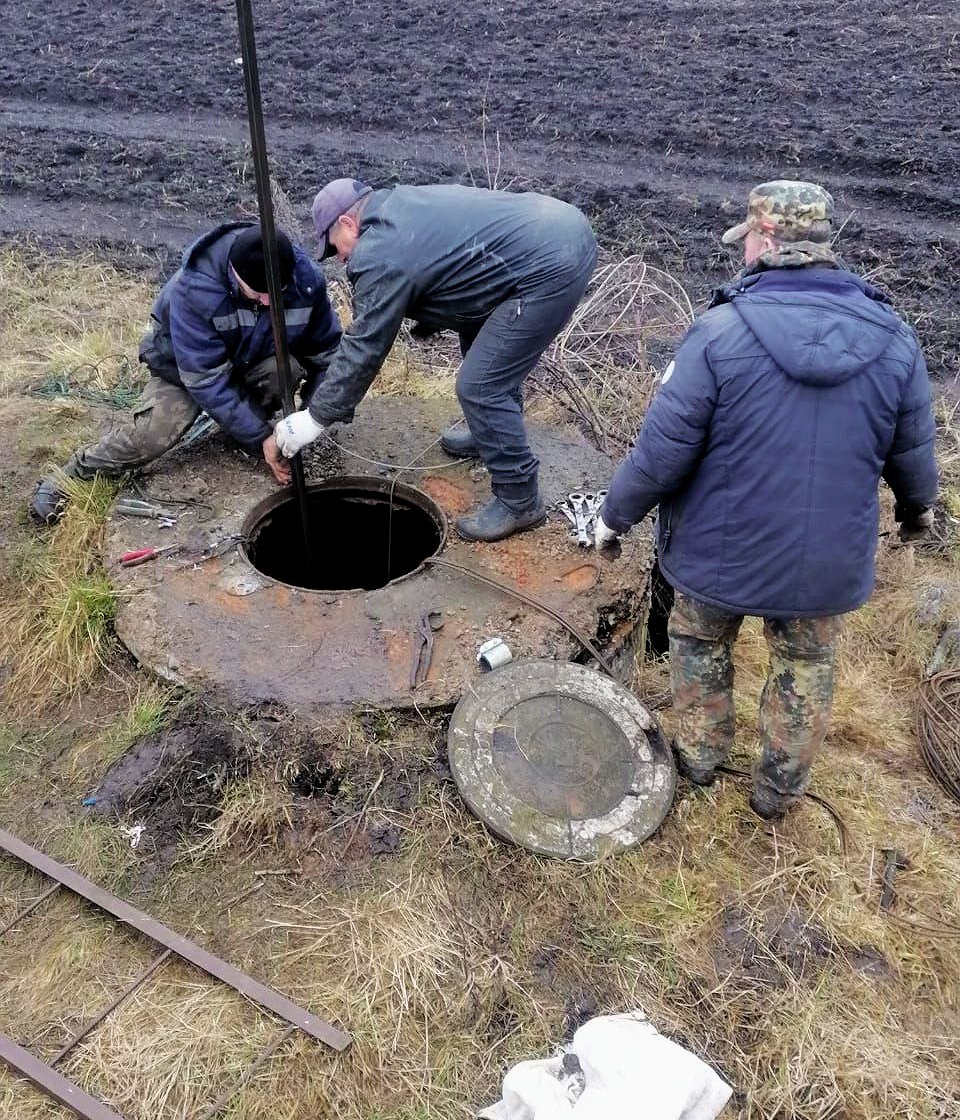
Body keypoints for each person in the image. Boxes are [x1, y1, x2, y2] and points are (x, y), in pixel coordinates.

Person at [595, 181, 938, 820]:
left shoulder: (718, 333)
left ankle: (698, 759)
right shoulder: (894, 338)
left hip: (716, 555)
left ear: (769, 239)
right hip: (825, 566)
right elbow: (913, 451)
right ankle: (778, 792)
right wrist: (918, 513)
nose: (742, 249)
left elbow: (662, 452)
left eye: (747, 237)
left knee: (699, 642)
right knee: (806, 664)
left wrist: (614, 517)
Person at [273, 179, 598, 542]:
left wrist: (314, 418)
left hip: (550, 263)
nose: (342, 258)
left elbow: (364, 346)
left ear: (349, 224)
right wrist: (432, 312)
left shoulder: (379, 251)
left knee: (480, 386)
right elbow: (444, 256)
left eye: (336, 249)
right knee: (483, 345)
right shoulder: (400, 203)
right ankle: (487, 433)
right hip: (551, 229)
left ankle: (520, 499)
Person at [30, 223, 341, 522]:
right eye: (258, 294)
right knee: (153, 434)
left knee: (281, 371)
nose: (270, 301)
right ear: (235, 275)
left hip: (250, 361)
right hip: (185, 370)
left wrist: (309, 421)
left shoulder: (305, 281)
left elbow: (326, 355)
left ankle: (241, 434)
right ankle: (72, 474)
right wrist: (263, 436)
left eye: (277, 291)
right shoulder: (195, 289)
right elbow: (206, 378)